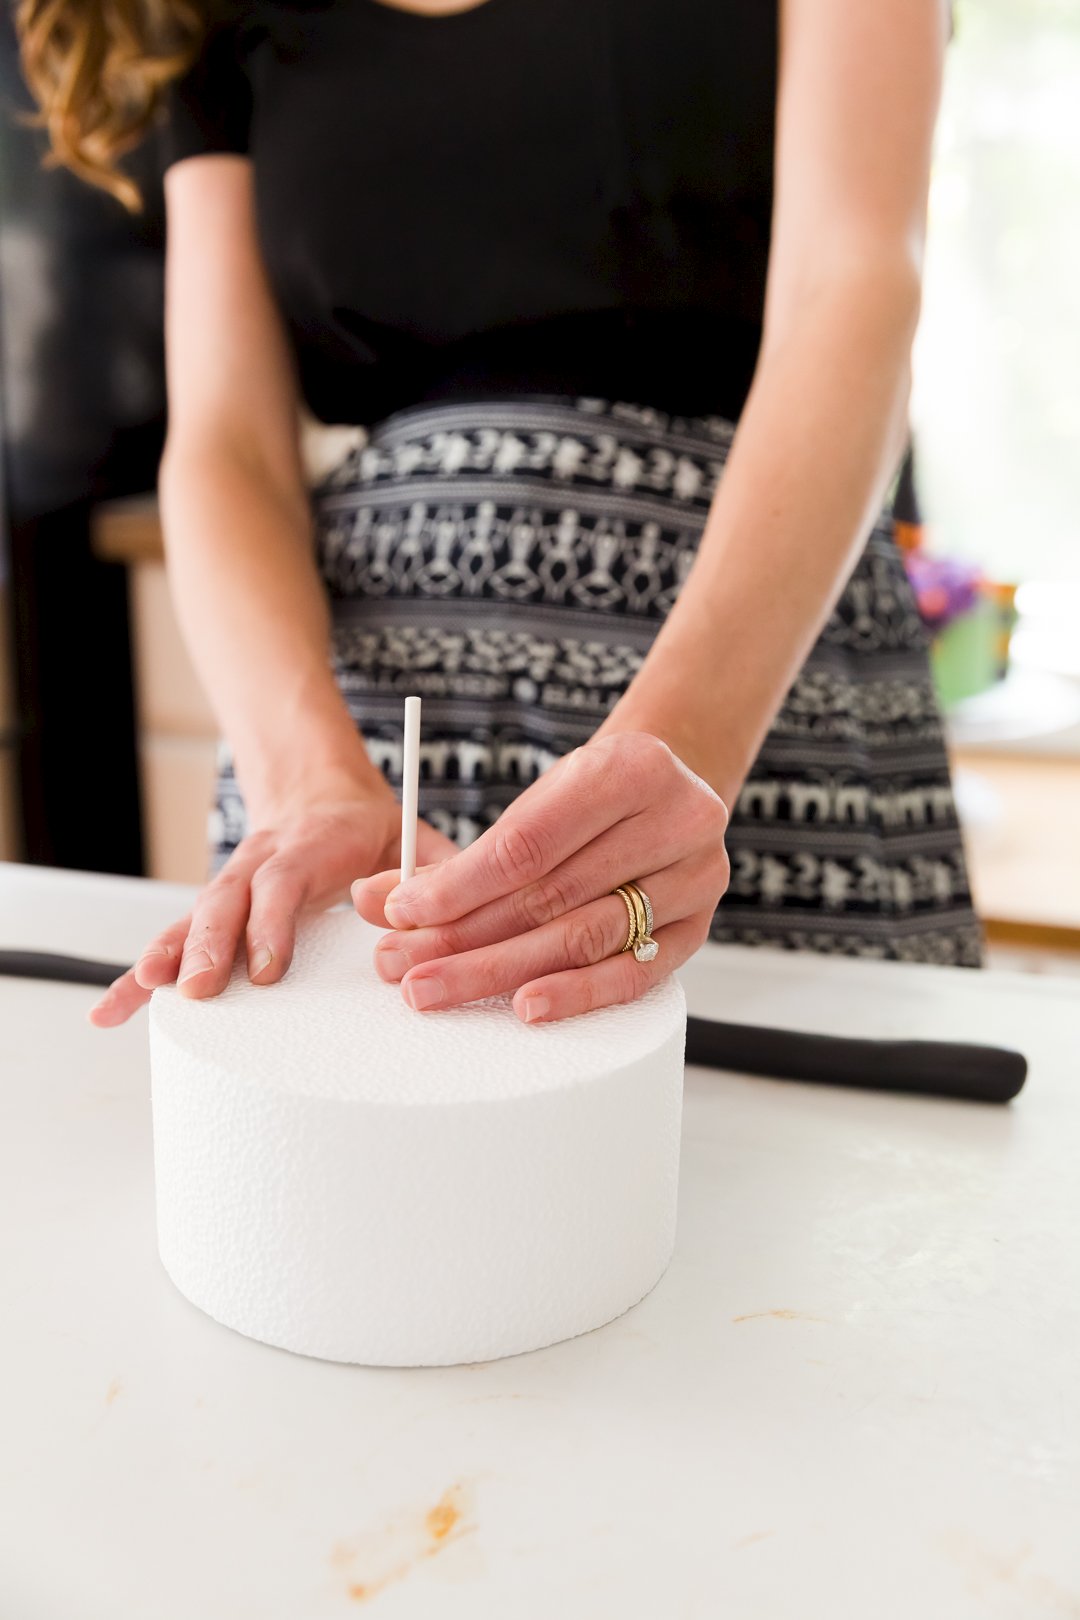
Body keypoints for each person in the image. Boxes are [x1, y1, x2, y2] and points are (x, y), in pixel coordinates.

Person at [17, 0, 983, 1032]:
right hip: (363, 741)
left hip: (761, 697)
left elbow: (856, 289)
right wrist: (307, 783)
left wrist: (683, 748)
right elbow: (226, 443)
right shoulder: (203, 13)